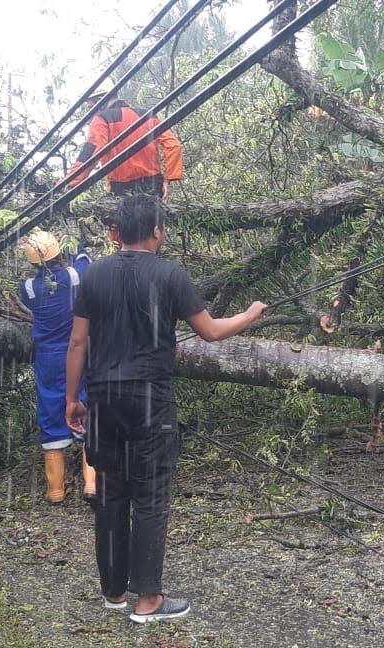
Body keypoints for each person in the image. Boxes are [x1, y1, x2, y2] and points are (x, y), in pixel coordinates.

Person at [64, 194, 266, 623]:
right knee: (151, 495)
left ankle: (115, 590)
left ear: (117, 230)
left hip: (103, 398)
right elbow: (210, 332)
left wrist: (71, 398)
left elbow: (78, 342)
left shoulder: (93, 275)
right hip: (149, 400)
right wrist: (250, 314)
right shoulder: (169, 273)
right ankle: (149, 600)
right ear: (156, 231)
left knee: (111, 493)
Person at [18, 229, 94, 505]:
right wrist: (74, 239)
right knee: (84, 407)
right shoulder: (73, 277)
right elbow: (85, 260)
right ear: (60, 253)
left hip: (47, 357)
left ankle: (55, 492)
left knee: (50, 409)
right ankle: (91, 485)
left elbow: (30, 301)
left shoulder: (27, 287)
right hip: (75, 350)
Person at [63, 77, 184, 200]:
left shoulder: (101, 119)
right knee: (152, 219)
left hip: (122, 190)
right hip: (153, 186)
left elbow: (91, 152)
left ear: (100, 100)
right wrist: (168, 179)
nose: (91, 111)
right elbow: (173, 145)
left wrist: (70, 182)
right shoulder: (146, 116)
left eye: (91, 106)